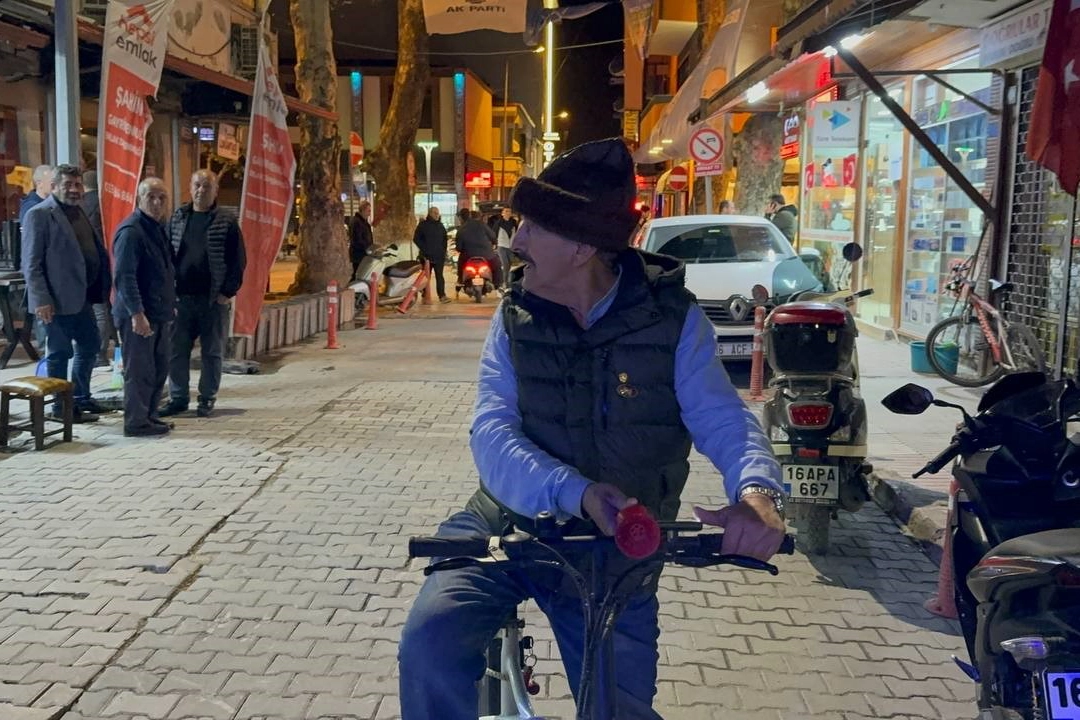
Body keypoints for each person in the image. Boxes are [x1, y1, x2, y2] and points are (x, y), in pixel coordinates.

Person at [398, 139, 787, 719]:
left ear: (582, 246)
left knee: (618, 709)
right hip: (509, 525)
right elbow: (492, 432)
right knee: (429, 643)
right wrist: (574, 492)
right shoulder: (514, 317)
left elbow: (722, 418)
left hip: (617, 551)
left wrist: (756, 492)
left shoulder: (673, 321)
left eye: (533, 228)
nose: (516, 242)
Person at [21, 164, 112, 423]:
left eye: (77, 184)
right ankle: (61, 409)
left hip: (82, 298)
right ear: (54, 186)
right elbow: (31, 263)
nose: (74, 189)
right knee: (59, 354)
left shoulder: (78, 211)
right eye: (67, 184)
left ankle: (80, 398)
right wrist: (41, 300)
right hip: (55, 303)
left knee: (90, 346)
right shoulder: (39, 215)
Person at [160, 170, 246, 419]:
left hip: (212, 301)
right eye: (197, 185)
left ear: (215, 190)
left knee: (212, 352)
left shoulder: (226, 221)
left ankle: (207, 398)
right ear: (190, 187)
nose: (201, 190)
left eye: (207, 186)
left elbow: (238, 260)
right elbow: (166, 255)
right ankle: (178, 398)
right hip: (181, 299)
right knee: (176, 351)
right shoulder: (178, 217)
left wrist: (227, 292)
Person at [112, 178, 176, 438]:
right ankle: (136, 422)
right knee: (139, 371)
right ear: (139, 198)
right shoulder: (131, 231)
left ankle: (149, 415)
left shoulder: (157, 228)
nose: (157, 202)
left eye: (162, 197)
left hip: (159, 312)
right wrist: (137, 314)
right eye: (151, 197)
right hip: (139, 315)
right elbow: (124, 277)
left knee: (158, 367)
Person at [81, 170, 116, 367]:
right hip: (107, 259)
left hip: (89, 265)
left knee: (98, 310)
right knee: (104, 309)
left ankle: (98, 353)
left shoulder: (81, 206)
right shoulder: (105, 203)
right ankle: (104, 350)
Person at [454, 207, 502, 290]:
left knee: (460, 264)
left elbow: (459, 248)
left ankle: (460, 280)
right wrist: (494, 243)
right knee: (497, 264)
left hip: (468, 256)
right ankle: (498, 283)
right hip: (487, 254)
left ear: (461, 218)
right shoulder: (481, 224)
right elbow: (492, 236)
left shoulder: (461, 229)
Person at [412, 207, 451, 303]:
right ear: (430, 213)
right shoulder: (423, 225)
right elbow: (416, 239)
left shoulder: (440, 226)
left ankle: (442, 296)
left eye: (438, 213)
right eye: (435, 213)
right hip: (426, 256)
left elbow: (444, 240)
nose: (437, 215)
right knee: (426, 277)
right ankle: (425, 295)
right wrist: (424, 249)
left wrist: (443, 251)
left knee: (439, 276)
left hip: (439, 256)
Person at [492, 206, 518, 290]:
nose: (508, 213)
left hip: (511, 247)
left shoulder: (514, 222)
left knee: (510, 264)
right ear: (502, 213)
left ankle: (507, 282)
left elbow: (517, 233)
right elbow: (494, 233)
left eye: (509, 211)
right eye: (506, 211)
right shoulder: (498, 223)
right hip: (501, 246)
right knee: (505, 264)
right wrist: (494, 244)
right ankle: (505, 283)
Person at [348, 201, 374, 282]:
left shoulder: (364, 222)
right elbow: (357, 239)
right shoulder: (357, 222)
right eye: (368, 211)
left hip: (363, 254)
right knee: (358, 275)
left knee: (362, 274)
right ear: (363, 210)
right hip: (359, 255)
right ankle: (351, 287)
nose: (369, 213)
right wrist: (367, 248)